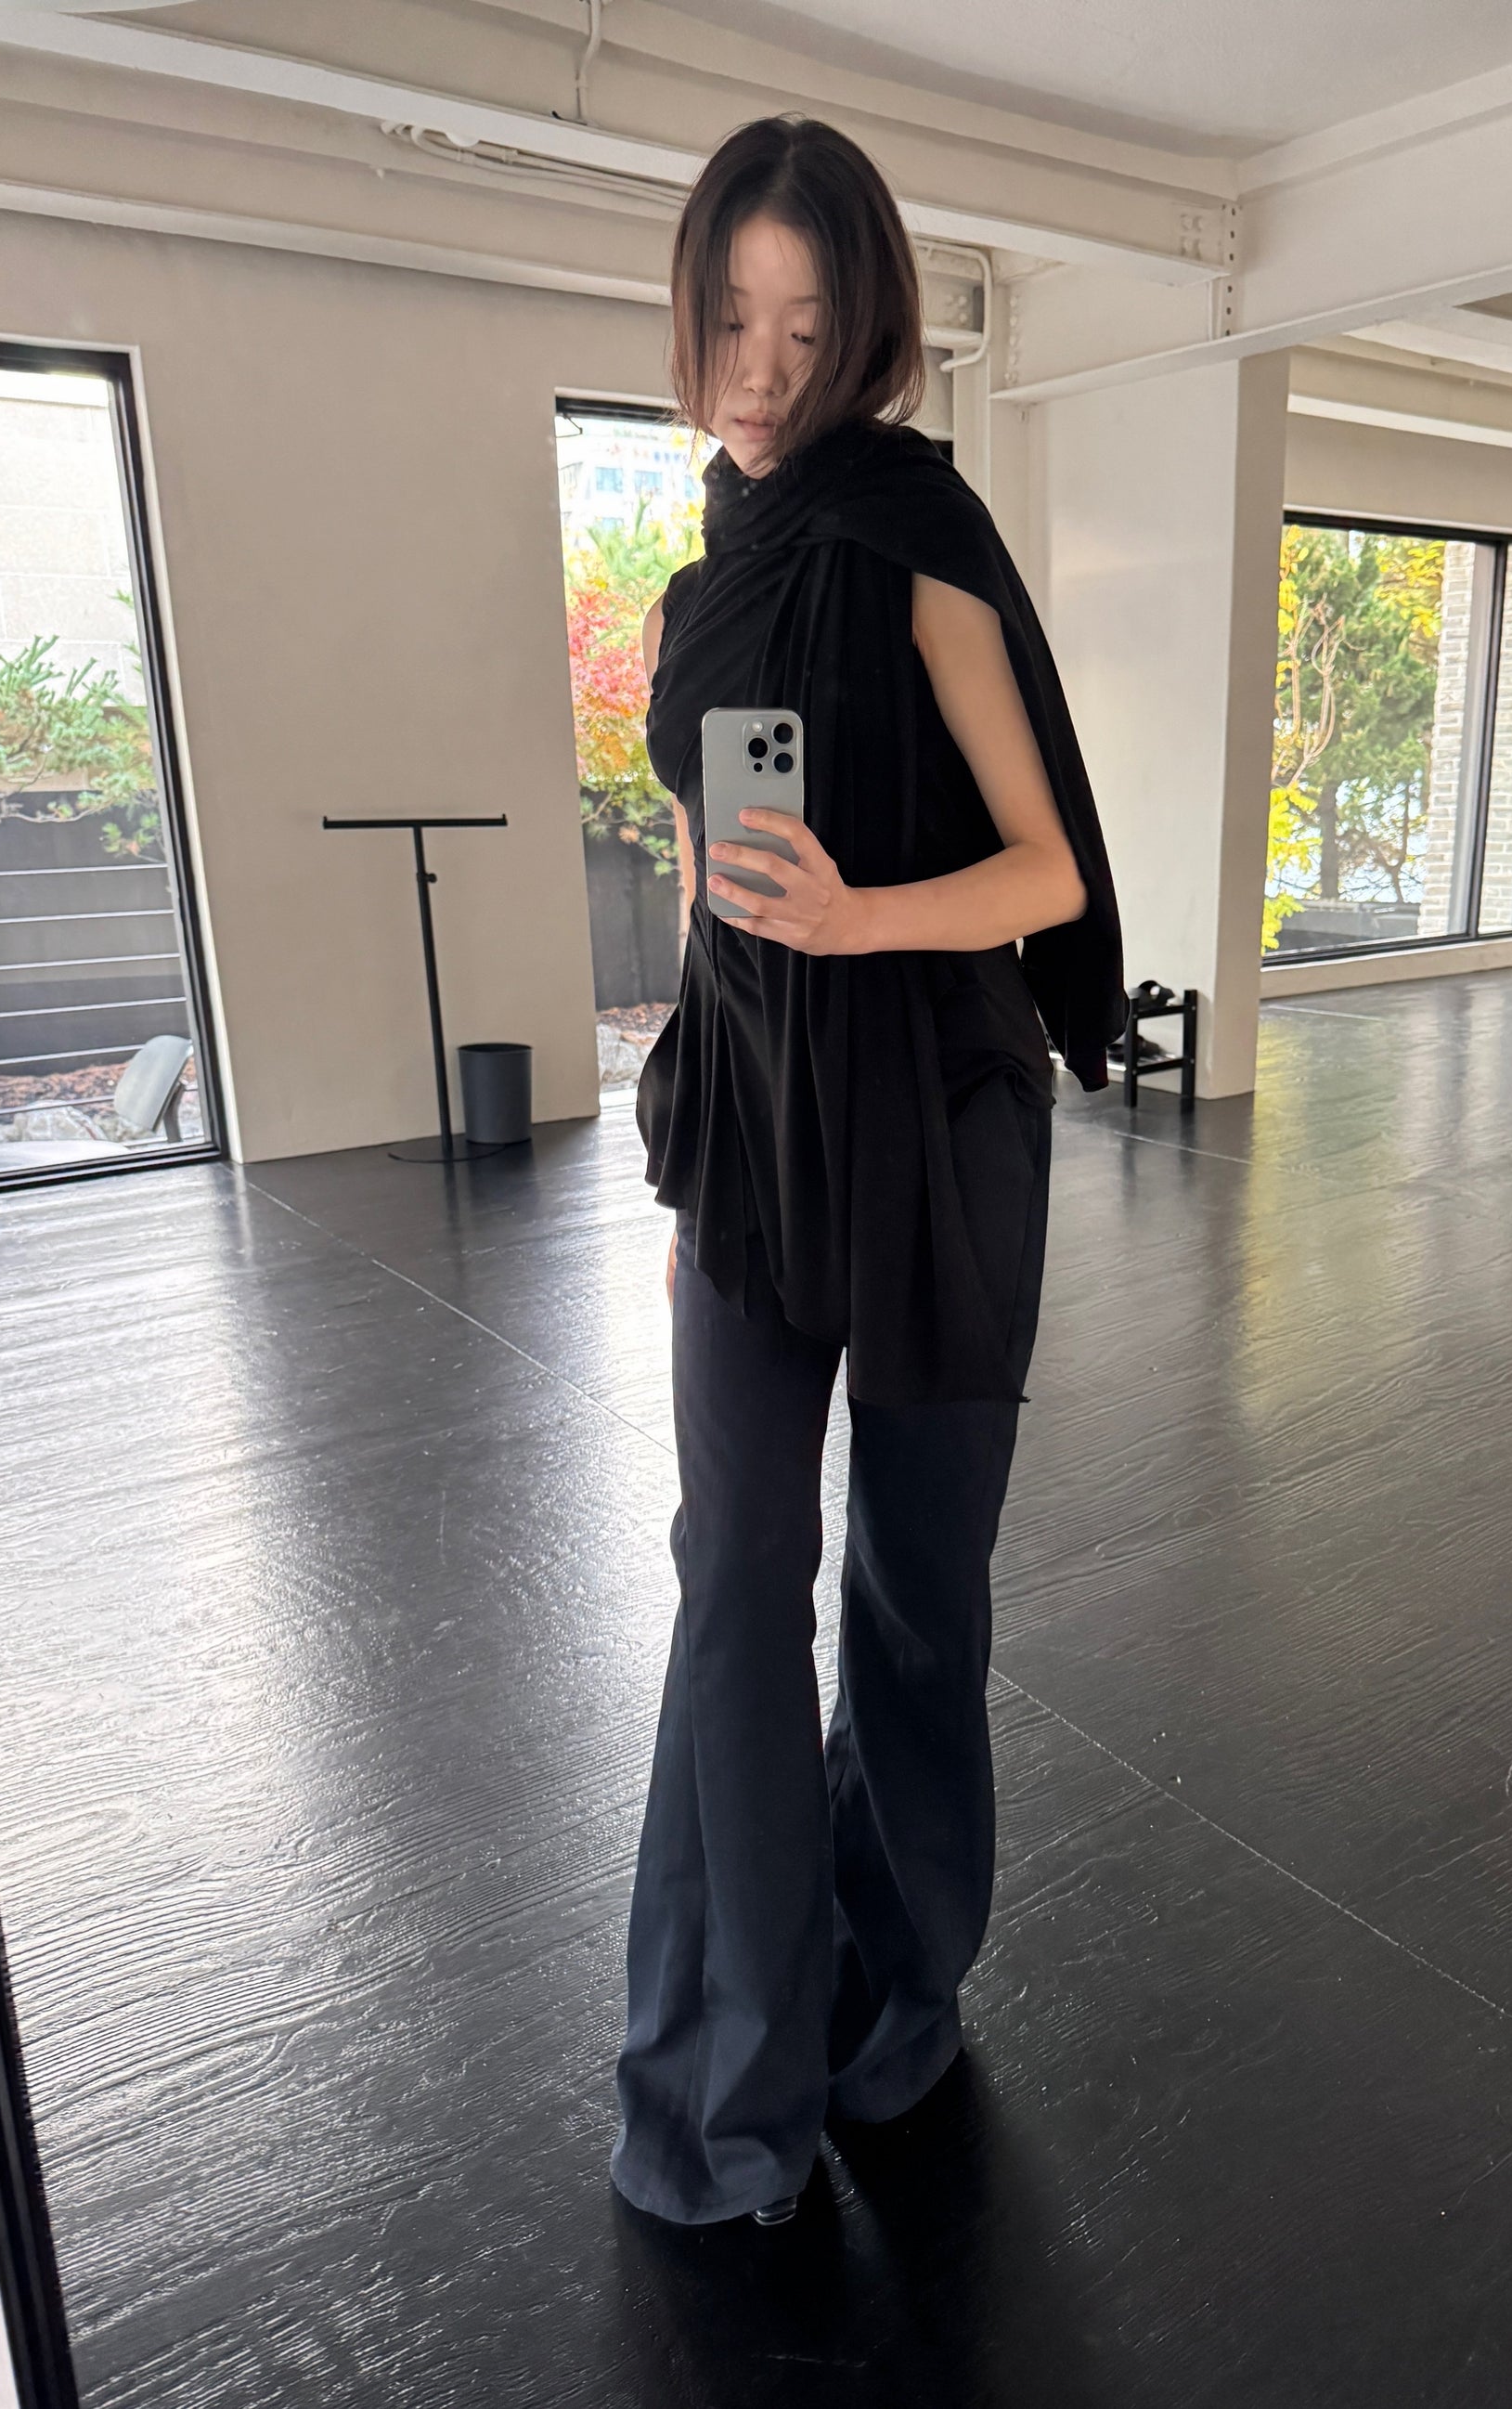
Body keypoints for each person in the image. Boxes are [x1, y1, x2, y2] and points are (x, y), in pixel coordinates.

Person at [609, 112, 1125, 2230]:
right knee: (734, 1580)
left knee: (912, 1597)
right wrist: (689, 1152)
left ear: (869, 335)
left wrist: (860, 919)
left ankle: (894, 1997)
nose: (762, 369)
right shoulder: (692, 595)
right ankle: (720, 2087)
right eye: (733, 320)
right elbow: (714, 901)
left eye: (807, 329)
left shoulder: (920, 536)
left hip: (939, 1130)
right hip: (757, 1135)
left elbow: (1046, 868)